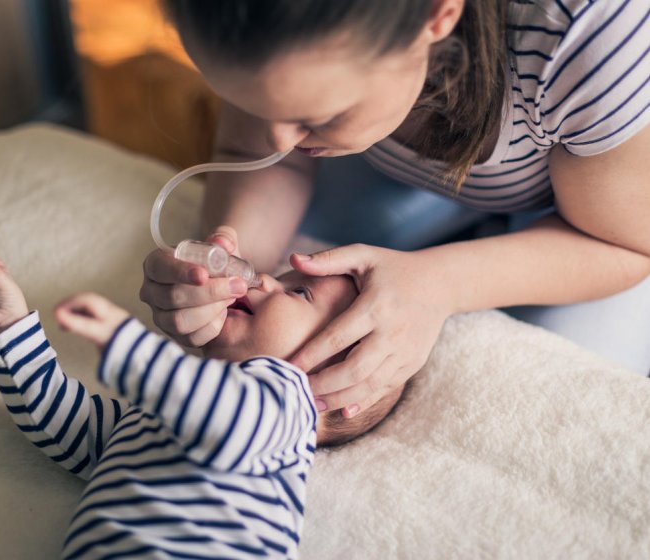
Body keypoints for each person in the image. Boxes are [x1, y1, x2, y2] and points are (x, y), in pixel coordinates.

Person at [140, 0, 650, 416]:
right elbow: (261, 155)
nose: (279, 138)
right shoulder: (268, 28)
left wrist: (440, 283)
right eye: (256, 106)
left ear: (437, 16)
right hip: (408, 166)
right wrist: (222, 272)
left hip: (611, 222)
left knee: (552, 387)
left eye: (316, 115)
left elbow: (625, 244)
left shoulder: (586, 32)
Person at [0, 250, 404, 559]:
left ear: (348, 380)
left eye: (299, 294)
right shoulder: (166, 405)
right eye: (283, 278)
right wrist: (11, 329)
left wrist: (133, 349)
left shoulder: (288, 403)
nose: (266, 281)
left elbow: (227, 420)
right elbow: (70, 428)